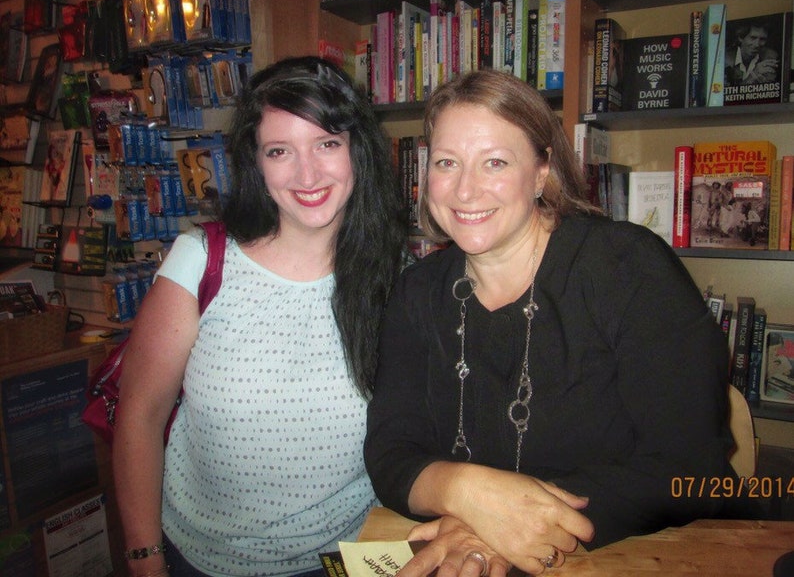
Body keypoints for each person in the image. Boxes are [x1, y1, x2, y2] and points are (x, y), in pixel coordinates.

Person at [364, 69, 757, 577]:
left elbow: (689, 467)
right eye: (447, 163)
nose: (465, 189)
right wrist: (470, 496)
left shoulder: (626, 267)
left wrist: (510, 525)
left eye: (495, 162)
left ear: (542, 171)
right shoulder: (416, 290)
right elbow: (391, 451)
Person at [113, 56, 406, 577]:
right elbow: (139, 416)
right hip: (200, 560)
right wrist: (143, 559)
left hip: (343, 559)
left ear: (357, 150)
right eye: (280, 151)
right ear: (256, 161)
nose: (308, 173)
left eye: (327, 143)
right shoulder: (201, 259)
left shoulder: (393, 275)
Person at [724, 20, 779, 86]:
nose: (757, 44)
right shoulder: (725, 59)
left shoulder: (769, 57)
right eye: (753, 38)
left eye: (762, 39)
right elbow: (727, 94)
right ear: (741, 38)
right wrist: (753, 76)